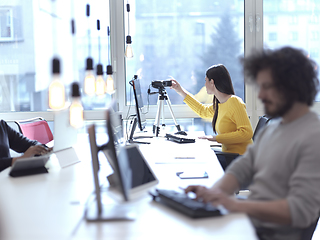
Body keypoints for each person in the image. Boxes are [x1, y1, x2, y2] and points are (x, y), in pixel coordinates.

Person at [185, 47, 320, 240]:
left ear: (292, 87)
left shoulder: (313, 137)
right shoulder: (274, 130)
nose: (260, 95)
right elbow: (240, 169)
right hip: (253, 224)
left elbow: (299, 211)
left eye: (267, 87)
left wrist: (235, 204)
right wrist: (213, 192)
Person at [171, 64, 253, 168]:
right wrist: (180, 91)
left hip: (240, 159)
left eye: (206, 81)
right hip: (230, 156)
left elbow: (246, 133)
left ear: (212, 82)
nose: (205, 84)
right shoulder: (220, 104)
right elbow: (202, 111)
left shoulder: (234, 102)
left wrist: (214, 138)